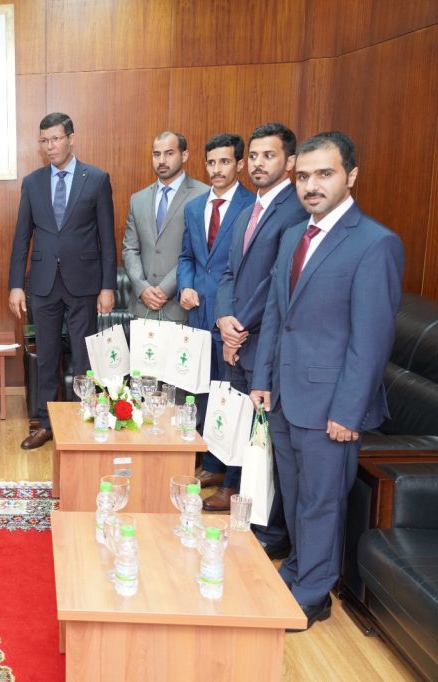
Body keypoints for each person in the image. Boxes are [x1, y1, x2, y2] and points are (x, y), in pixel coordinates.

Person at [251, 131, 404, 629]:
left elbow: (371, 340)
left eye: (325, 174)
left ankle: (313, 594)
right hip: (283, 396)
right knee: (295, 497)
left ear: (350, 176)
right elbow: (277, 314)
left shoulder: (375, 243)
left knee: (321, 501)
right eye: (304, 176)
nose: (311, 186)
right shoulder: (295, 235)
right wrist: (262, 378)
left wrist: (348, 411)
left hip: (330, 405)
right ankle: (298, 570)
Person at [210, 124, 307, 534]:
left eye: (269, 155)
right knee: (245, 440)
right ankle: (250, 521)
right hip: (238, 339)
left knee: (268, 445)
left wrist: (238, 327)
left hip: (265, 344)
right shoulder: (249, 209)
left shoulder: (296, 210)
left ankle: (271, 531)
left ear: (290, 161)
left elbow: (275, 282)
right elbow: (229, 272)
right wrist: (224, 319)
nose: (258, 164)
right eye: (253, 156)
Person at [9, 112, 116, 449]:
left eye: (55, 139)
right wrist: (16, 284)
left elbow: (106, 238)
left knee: (84, 358)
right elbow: (21, 237)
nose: (50, 146)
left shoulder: (96, 179)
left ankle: (80, 421)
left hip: (84, 282)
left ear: (71, 138)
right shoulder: (32, 182)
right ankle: (44, 423)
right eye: (44, 141)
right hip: (43, 284)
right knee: (46, 356)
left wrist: (108, 286)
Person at [177, 133, 255, 499]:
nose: (217, 169)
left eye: (225, 162)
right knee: (205, 394)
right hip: (198, 317)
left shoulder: (252, 207)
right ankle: (211, 464)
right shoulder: (194, 208)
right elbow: (187, 258)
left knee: (233, 400)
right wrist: (185, 285)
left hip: (233, 320)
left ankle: (232, 481)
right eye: (211, 162)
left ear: (239, 164)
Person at [122, 131, 209, 322]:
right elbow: (130, 249)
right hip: (143, 307)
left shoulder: (204, 195)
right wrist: (142, 288)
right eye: (156, 154)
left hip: (182, 307)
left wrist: (165, 288)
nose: (161, 160)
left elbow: (201, 252)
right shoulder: (138, 199)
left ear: (184, 155)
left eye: (169, 153)